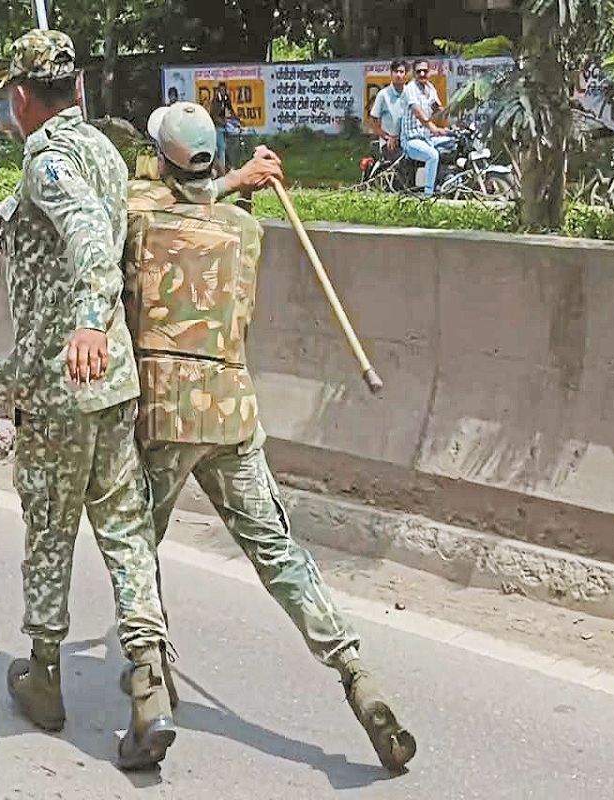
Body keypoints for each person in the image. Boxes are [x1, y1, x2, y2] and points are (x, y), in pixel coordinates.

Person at [122, 101, 418, 773]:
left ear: (163, 162)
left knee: (137, 546)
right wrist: (244, 182)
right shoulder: (245, 232)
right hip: (231, 410)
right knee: (279, 553)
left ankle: (147, 683)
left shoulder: (139, 215)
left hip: (164, 414)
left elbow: (152, 200)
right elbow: (207, 201)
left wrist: (228, 182)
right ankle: (353, 669)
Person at [0, 28, 176, 770]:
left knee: (49, 529)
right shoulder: (102, 148)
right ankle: (150, 679)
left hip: (63, 380)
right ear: (81, 91)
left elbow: (93, 238)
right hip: (114, 386)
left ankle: (44, 676)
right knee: (126, 532)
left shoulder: (50, 156)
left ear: (21, 96)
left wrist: (88, 321)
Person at [399, 60, 453, 197]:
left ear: (429, 72)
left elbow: (437, 109)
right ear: (413, 73)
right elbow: (418, 112)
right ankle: (428, 195)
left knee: (454, 144)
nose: (422, 73)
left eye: (425, 71)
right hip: (412, 140)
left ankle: (447, 181)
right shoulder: (410, 89)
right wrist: (433, 128)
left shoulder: (430, 88)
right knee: (432, 156)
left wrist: (453, 121)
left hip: (427, 138)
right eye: (418, 71)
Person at [369, 59, 410, 154]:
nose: (399, 75)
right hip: (390, 144)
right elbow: (372, 121)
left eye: (401, 72)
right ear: (391, 74)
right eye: (396, 72)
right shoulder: (383, 95)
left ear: (406, 75)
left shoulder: (411, 94)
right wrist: (387, 137)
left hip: (409, 142)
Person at [208, 81, 235, 175]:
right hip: (216, 126)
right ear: (219, 90)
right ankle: (222, 171)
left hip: (223, 126)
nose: (223, 92)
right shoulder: (215, 100)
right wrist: (223, 122)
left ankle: (224, 168)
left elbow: (231, 109)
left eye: (224, 90)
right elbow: (213, 116)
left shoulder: (226, 98)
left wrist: (235, 119)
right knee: (221, 148)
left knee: (224, 148)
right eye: (221, 90)